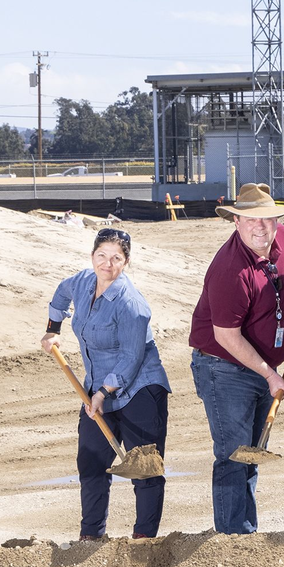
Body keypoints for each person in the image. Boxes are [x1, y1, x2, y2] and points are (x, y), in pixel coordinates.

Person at [188, 182, 284, 534]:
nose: (261, 227)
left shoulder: (283, 239)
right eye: (251, 220)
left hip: (261, 365)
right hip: (223, 366)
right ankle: (231, 539)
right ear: (235, 221)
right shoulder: (230, 270)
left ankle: (246, 533)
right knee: (234, 455)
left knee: (253, 453)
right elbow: (226, 336)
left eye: (268, 219)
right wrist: (270, 375)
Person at [41, 228, 172, 540]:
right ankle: (91, 536)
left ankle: (144, 541)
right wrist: (52, 328)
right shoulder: (83, 282)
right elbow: (61, 293)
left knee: (144, 468)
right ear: (92, 256)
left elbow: (131, 357)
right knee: (91, 462)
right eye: (102, 256)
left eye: (116, 258)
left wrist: (101, 393)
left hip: (140, 389)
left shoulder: (131, 304)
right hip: (97, 387)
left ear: (125, 262)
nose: (107, 263)